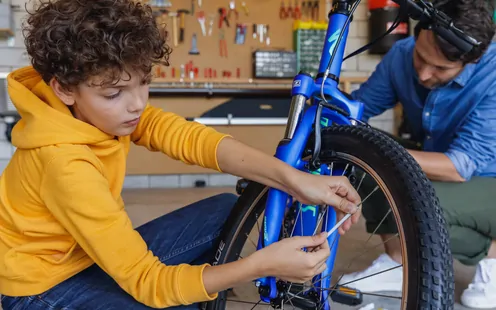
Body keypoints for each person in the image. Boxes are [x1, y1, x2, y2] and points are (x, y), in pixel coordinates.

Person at [0, 0, 363, 309]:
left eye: (144, 82)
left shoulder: (97, 115)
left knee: (225, 208)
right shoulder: (63, 163)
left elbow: (192, 140)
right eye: (114, 94)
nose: (137, 105)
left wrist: (297, 180)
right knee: (164, 293)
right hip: (40, 292)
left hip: (86, 259)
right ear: (63, 89)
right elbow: (147, 281)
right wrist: (257, 266)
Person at [338, 0, 496, 308]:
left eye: (440, 68)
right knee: (358, 146)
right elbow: (356, 114)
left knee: (416, 204)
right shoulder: (400, 55)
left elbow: (459, 166)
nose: (423, 74)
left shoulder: (493, 75)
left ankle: (493, 257)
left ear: (470, 62)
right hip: (451, 171)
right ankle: (399, 262)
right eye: (420, 58)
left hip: (488, 178)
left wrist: (384, 155)